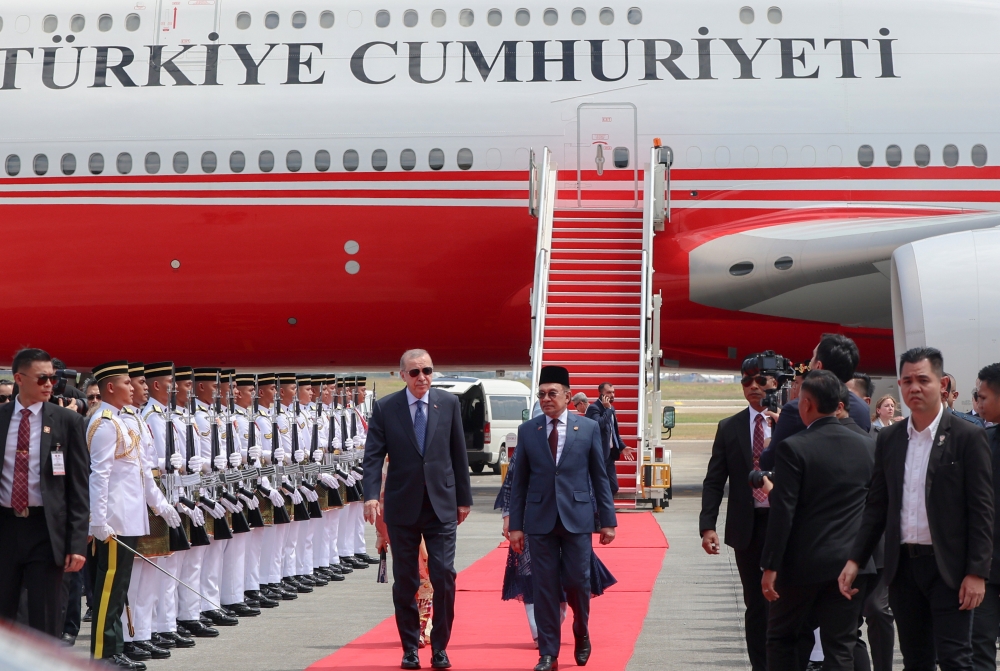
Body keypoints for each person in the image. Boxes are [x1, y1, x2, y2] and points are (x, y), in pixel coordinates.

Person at [839, 347, 994, 671]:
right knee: (915, 660)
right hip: (904, 570)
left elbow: (981, 509)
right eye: (907, 381)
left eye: (923, 379)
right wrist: (855, 559)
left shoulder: (968, 437)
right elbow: (877, 505)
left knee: (955, 659)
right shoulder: (891, 438)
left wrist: (977, 572)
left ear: (942, 383)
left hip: (949, 570)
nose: (914, 388)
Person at [362, 349, 473, 670]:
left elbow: (458, 454)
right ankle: (410, 646)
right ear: (402, 375)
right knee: (406, 581)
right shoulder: (386, 408)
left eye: (427, 370)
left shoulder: (448, 404)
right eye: (415, 372)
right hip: (402, 507)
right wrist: (371, 495)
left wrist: (463, 499)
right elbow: (372, 456)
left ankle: (440, 646)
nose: (422, 376)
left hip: (441, 506)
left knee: (444, 575)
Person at [761, 370, 876, 671]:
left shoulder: (794, 447)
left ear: (807, 404)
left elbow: (783, 511)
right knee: (841, 644)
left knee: (782, 638)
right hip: (853, 563)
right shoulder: (867, 445)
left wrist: (770, 565)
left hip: (804, 563)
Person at [508, 365, 617, 671]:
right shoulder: (529, 430)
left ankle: (581, 630)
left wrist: (607, 520)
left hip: (577, 518)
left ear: (568, 397)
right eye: (541, 394)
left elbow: (600, 477)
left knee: (577, 582)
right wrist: (516, 526)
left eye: (552, 393)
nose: (546, 399)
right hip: (539, 519)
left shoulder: (589, 429)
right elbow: (519, 484)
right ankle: (548, 653)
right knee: (543, 585)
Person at [0, 348, 89, 638]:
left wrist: (76, 542)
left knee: (45, 616)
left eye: (52, 378)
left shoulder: (66, 421)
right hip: (5, 527)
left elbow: (78, 486)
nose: (49, 384)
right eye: (42, 379)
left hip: (46, 530)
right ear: (19, 379)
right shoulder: (1, 419)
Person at [700, 355, 780, 671]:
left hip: (785, 525)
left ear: (776, 383)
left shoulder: (792, 422)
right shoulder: (729, 427)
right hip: (748, 529)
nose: (753, 387)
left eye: (761, 381)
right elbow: (714, 480)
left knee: (787, 603)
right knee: (756, 605)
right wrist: (708, 525)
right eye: (746, 382)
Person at [118, 362, 182, 662]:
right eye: (137, 383)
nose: (140, 388)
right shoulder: (126, 419)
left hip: (153, 497)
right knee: (136, 576)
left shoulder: (137, 418)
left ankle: (146, 632)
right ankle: (132, 636)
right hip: (136, 503)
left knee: (152, 573)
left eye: (143, 383)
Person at [87, 360, 147, 669]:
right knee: (109, 589)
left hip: (128, 517)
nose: (132, 387)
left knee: (118, 588)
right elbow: (100, 475)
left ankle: (114, 648)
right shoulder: (106, 422)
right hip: (114, 520)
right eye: (127, 382)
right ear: (111, 387)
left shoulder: (122, 420)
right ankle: (103, 654)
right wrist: (98, 520)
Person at [762, 334, 871, 470]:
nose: (810, 364)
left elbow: (770, 461)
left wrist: (770, 442)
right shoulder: (862, 408)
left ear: (819, 366)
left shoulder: (797, 408)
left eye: (813, 358)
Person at [971, 362, 1000, 671]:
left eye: (983, 397)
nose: (977, 403)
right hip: (986, 566)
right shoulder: (983, 443)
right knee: (979, 645)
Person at [585, 382, 631, 495]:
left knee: (613, 487)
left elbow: (614, 432)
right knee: (600, 486)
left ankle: (604, 509)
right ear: (601, 394)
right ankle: (600, 511)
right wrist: (607, 410)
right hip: (598, 454)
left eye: (613, 392)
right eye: (608, 393)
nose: (612, 395)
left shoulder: (611, 409)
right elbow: (598, 425)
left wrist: (622, 446)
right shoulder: (593, 408)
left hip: (610, 454)